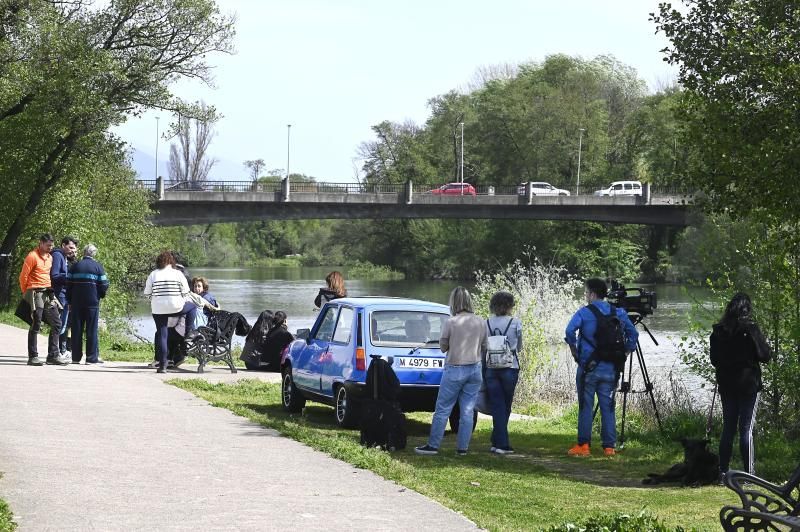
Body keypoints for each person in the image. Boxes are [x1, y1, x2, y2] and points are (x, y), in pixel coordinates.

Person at [564, 278, 638, 457]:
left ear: (592, 293)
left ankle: (583, 446)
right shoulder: (618, 311)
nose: (586, 296)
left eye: (586, 292)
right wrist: (625, 352)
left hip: (588, 367)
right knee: (608, 407)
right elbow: (633, 334)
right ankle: (609, 448)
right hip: (611, 368)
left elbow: (569, 331)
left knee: (586, 405)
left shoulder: (584, 312)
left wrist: (575, 352)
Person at [415, 286, 487, 456]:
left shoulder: (451, 322)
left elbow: (442, 346)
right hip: (475, 369)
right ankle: (462, 448)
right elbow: (485, 346)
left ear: (453, 302)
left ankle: (433, 446)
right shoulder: (480, 321)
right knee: (467, 411)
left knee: (443, 409)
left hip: (455, 368)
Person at [710, 292, 771, 477]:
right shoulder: (751, 329)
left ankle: (722, 471)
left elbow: (714, 360)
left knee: (728, 427)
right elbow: (765, 356)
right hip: (748, 385)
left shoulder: (718, 331)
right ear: (747, 310)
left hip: (727, 385)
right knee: (746, 429)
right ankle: (749, 473)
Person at [143, 251, 197, 373]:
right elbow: (186, 292)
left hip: (158, 309)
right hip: (176, 307)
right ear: (172, 262)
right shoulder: (178, 273)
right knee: (192, 306)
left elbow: (147, 293)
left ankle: (162, 366)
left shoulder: (153, 274)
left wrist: (156, 299)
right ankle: (189, 332)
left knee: (162, 335)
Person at [19, 233, 67, 366]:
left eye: (51, 246)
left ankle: (53, 355)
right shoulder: (32, 256)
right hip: (35, 292)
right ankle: (33, 356)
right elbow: (23, 277)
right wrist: (27, 293)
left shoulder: (50, 257)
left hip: (48, 292)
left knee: (57, 323)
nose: (49, 248)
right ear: (40, 243)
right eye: (47, 246)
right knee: (36, 323)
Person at [485, 291, 523, 455]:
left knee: (497, 404)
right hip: (510, 366)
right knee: (505, 405)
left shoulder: (486, 322)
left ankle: (496, 440)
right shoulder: (515, 322)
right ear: (509, 306)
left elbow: (483, 346)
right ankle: (502, 444)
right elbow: (519, 347)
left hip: (491, 367)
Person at [66, 244, 109, 364]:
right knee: (91, 330)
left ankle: (75, 358)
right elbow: (104, 284)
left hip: (76, 303)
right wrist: (99, 295)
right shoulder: (98, 267)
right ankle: (91, 358)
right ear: (93, 254)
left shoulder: (75, 266)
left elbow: (68, 284)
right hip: (92, 303)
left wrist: (69, 301)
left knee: (76, 330)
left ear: (84, 253)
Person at [50, 235, 78, 357]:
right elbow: (54, 276)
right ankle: (54, 353)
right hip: (59, 294)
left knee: (63, 325)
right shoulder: (57, 255)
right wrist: (69, 278)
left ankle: (59, 351)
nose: (72, 250)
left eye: (75, 249)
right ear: (63, 245)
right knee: (58, 324)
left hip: (65, 295)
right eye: (70, 247)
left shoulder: (66, 258)